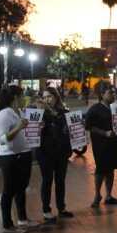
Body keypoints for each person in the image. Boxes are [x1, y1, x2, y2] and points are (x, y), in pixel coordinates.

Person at [0, 85, 38, 233]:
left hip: (22, 154)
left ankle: (23, 219)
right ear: (15, 98)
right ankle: (8, 225)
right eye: (22, 96)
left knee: (21, 188)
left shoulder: (17, 112)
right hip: (10, 157)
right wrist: (18, 127)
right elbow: (2, 140)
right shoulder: (3, 115)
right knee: (9, 190)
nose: (24, 99)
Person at [36, 87, 74, 223]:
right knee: (47, 181)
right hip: (45, 153)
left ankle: (61, 208)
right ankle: (46, 211)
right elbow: (33, 133)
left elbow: (70, 131)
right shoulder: (39, 114)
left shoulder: (64, 113)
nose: (47, 99)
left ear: (56, 97)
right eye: (45, 97)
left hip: (61, 152)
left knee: (60, 181)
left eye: (50, 97)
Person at [85, 81, 117, 208]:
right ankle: (97, 194)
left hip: (114, 142)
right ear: (102, 95)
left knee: (111, 168)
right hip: (100, 143)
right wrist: (104, 133)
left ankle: (109, 195)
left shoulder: (116, 108)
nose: (113, 95)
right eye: (110, 92)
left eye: (113, 92)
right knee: (101, 169)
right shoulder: (94, 109)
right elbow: (89, 126)